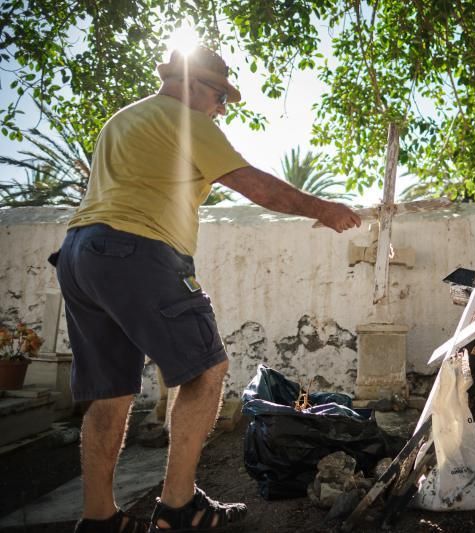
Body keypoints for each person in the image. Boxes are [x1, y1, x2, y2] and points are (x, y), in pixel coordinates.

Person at [55, 46, 361, 533]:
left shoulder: (122, 120)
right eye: (220, 95)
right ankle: (179, 509)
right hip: (139, 249)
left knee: (110, 393)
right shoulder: (184, 119)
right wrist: (323, 208)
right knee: (206, 372)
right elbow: (254, 185)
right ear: (191, 83)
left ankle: (99, 520)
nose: (222, 108)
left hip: (79, 253)